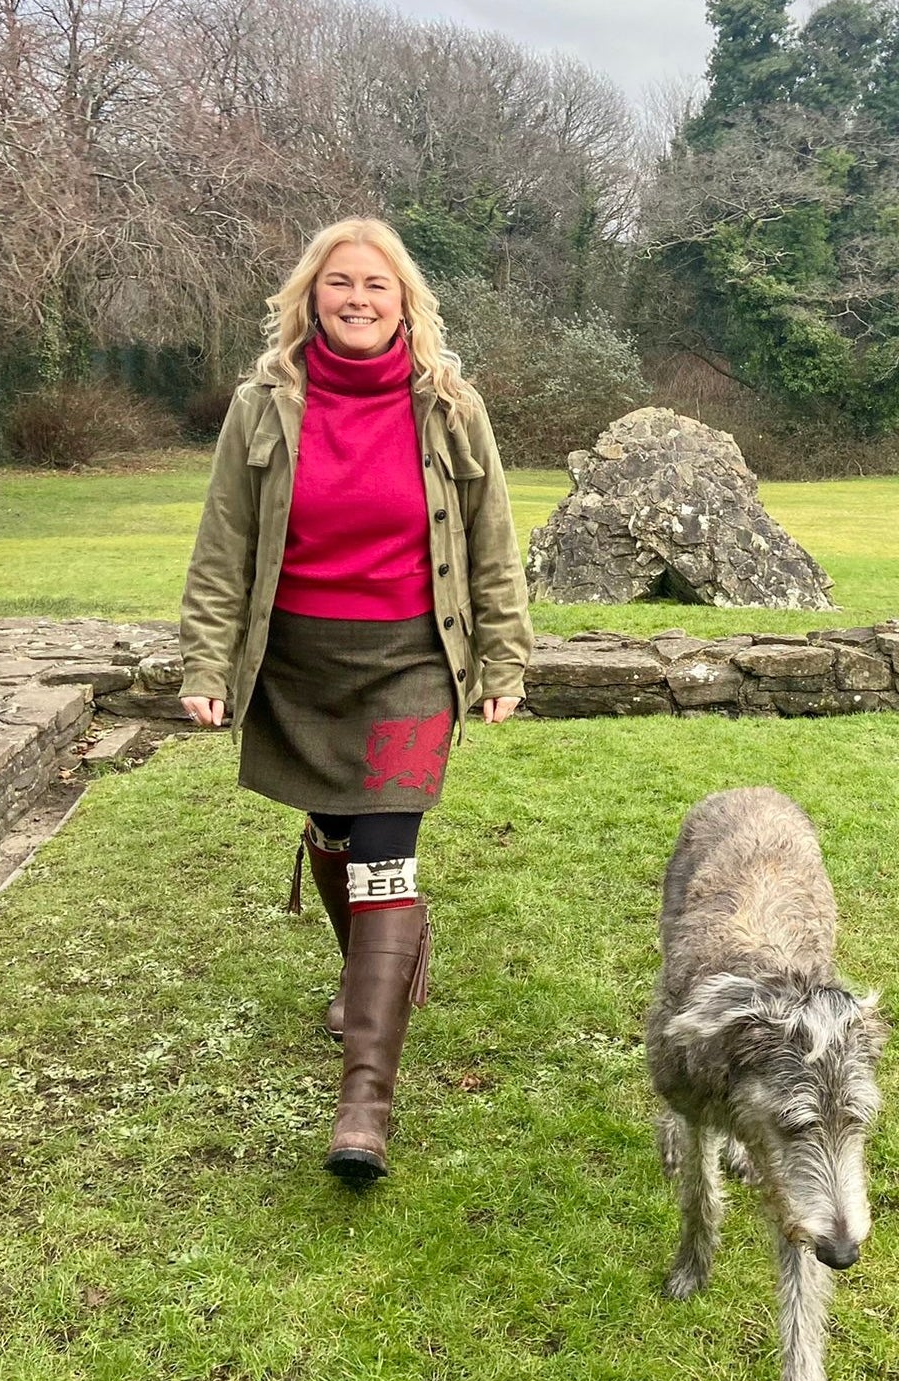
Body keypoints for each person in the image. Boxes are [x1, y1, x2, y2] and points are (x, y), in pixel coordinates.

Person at [179, 216, 533, 1186]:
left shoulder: (448, 407)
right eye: (341, 283)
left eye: (377, 285)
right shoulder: (263, 407)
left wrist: (501, 661)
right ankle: (366, 978)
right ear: (311, 297)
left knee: (385, 847)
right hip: (298, 666)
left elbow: (492, 541)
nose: (358, 299)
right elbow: (223, 547)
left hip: (412, 661)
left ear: (405, 301)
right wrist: (207, 665)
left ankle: (364, 1098)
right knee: (334, 831)